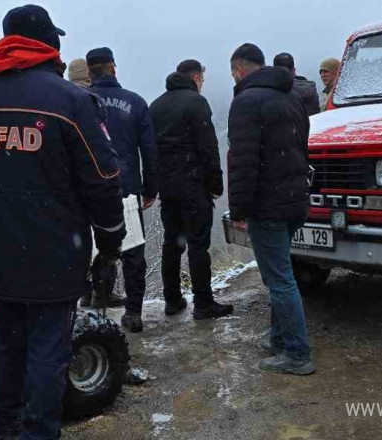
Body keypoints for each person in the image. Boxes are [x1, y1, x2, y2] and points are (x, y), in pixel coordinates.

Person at [0, 5, 125, 439]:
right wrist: (111, 236)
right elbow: (103, 178)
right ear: (49, 44)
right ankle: (39, 431)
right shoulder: (71, 101)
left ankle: (6, 423)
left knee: (6, 341)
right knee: (49, 346)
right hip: (56, 248)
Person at [227, 43, 314, 375]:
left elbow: (243, 162)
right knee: (282, 273)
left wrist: (239, 210)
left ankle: (297, 353)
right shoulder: (291, 97)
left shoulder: (246, 102)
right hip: (294, 201)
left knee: (279, 280)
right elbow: (301, 147)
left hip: (269, 205)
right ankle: (279, 336)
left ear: (239, 69)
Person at [149, 60, 233, 320]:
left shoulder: (157, 105)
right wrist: (216, 184)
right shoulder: (196, 102)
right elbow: (207, 147)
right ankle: (204, 304)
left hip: (168, 186)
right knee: (198, 244)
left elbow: (150, 149)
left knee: (172, 243)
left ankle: (172, 300)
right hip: (193, 185)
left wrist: (154, 183)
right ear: (196, 77)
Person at [86, 47, 158, 332]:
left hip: (90, 190)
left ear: (90, 71)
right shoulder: (135, 102)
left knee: (97, 251)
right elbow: (149, 150)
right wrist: (150, 188)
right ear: (113, 68)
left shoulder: (80, 102)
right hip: (126, 189)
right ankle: (134, 313)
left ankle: (99, 313)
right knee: (133, 253)